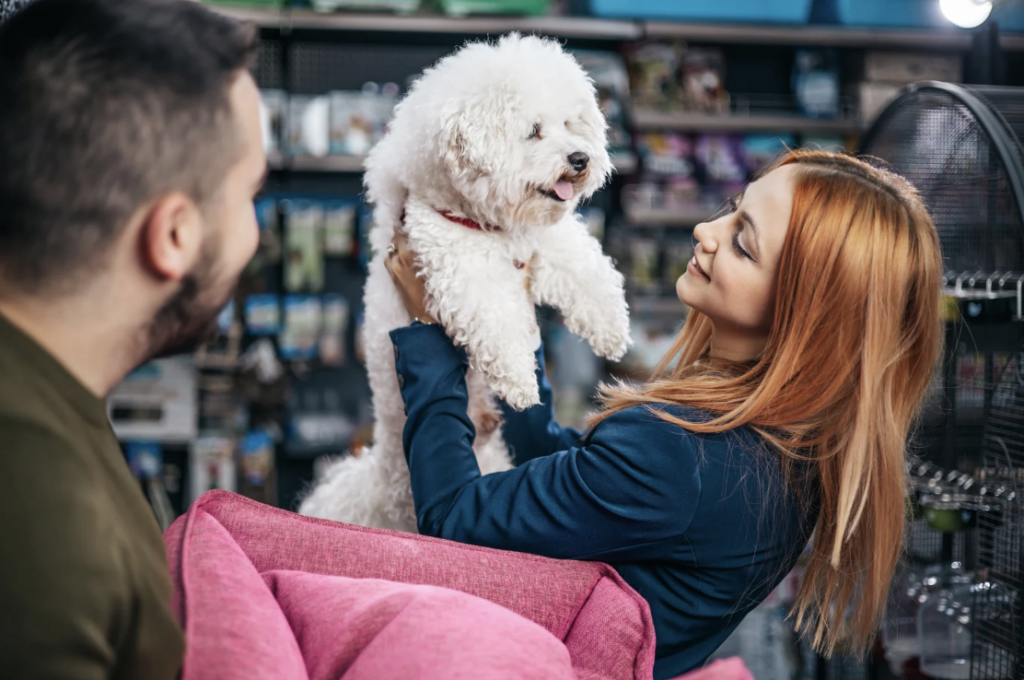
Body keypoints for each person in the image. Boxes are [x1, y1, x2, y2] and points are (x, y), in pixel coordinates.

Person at [385, 149, 944, 679]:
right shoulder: (782, 456)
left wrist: (426, 333)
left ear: (806, 317)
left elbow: (453, 518)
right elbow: (577, 487)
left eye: (744, 244)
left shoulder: (683, 454)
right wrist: (515, 332)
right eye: (732, 211)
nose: (706, 232)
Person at [0, 0, 265, 677]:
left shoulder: (44, 404)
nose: (255, 233)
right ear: (173, 236)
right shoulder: (39, 511)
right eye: (247, 195)